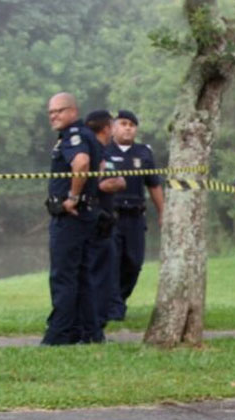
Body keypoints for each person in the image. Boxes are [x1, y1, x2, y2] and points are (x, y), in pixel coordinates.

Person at [42, 92, 103, 345]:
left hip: (71, 217)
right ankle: (89, 334)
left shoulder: (73, 136)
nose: (54, 116)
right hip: (86, 216)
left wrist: (73, 197)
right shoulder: (88, 136)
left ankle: (60, 335)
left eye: (59, 110)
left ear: (73, 112)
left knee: (64, 276)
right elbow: (98, 168)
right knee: (82, 276)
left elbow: (81, 163)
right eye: (51, 112)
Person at [104, 109, 164, 321]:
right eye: (123, 123)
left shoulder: (144, 152)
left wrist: (162, 212)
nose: (128, 128)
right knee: (112, 261)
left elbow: (154, 185)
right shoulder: (104, 150)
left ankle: (119, 298)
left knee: (134, 262)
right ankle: (114, 308)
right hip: (112, 217)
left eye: (132, 124)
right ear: (113, 127)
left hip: (136, 217)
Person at [82, 110, 126, 330]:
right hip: (94, 219)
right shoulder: (93, 152)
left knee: (107, 270)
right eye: (114, 126)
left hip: (108, 219)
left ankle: (101, 316)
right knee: (96, 271)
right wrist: (100, 185)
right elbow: (91, 182)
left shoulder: (105, 153)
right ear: (107, 127)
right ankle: (94, 321)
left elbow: (121, 181)